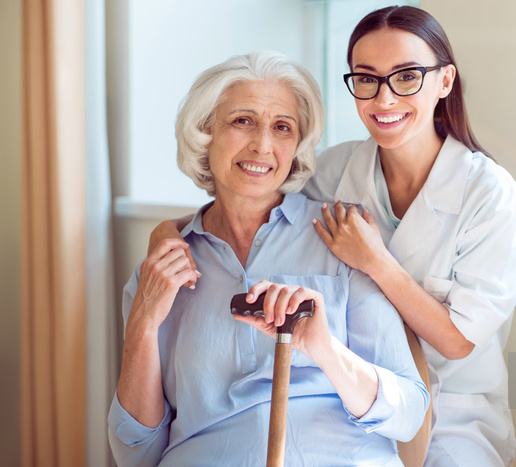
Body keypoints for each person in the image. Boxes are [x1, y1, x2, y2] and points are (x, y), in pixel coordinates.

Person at [149, 6, 516, 466]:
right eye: (367, 79)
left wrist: (376, 262)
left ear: (445, 81)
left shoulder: (490, 197)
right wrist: (165, 234)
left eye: (407, 76)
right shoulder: (334, 171)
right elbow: (248, 197)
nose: (385, 98)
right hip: (348, 405)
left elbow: (456, 342)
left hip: (454, 411)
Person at [108, 50, 430, 467]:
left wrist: (325, 350)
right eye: (242, 121)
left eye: (282, 127)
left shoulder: (341, 240)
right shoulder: (160, 271)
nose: (262, 145)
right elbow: (135, 454)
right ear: (205, 132)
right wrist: (142, 326)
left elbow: (408, 415)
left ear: (297, 146)